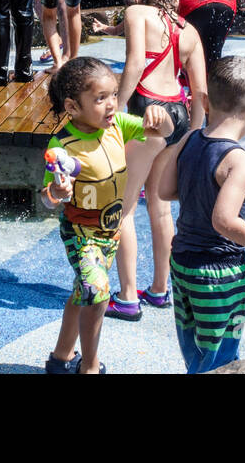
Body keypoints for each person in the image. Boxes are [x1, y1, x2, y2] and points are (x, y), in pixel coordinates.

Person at [155, 56, 245, 373]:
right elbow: (224, 221)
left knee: (195, 352)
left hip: (183, 265)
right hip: (220, 275)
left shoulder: (190, 138)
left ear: (204, 100)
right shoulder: (240, 161)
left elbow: (165, 190)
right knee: (220, 360)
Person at [40, 58, 173, 374]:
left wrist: (162, 117)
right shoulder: (64, 145)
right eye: (100, 99)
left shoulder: (118, 127)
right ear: (72, 107)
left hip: (108, 233)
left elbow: (165, 132)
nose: (112, 104)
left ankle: (60, 358)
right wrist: (56, 193)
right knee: (98, 292)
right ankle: (89, 365)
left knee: (82, 290)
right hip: (81, 233)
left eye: (113, 95)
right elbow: (46, 200)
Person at [107, 0, 208, 321]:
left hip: (145, 109)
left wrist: (116, 109)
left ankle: (127, 297)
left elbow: (135, 63)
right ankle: (160, 290)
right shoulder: (189, 30)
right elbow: (201, 90)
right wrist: (195, 136)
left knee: (124, 206)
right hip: (178, 115)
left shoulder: (136, 12)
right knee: (161, 209)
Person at [169, 0, 237, 65]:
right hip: (227, 0)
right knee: (214, 51)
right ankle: (213, 76)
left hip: (194, 0)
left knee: (190, 50)